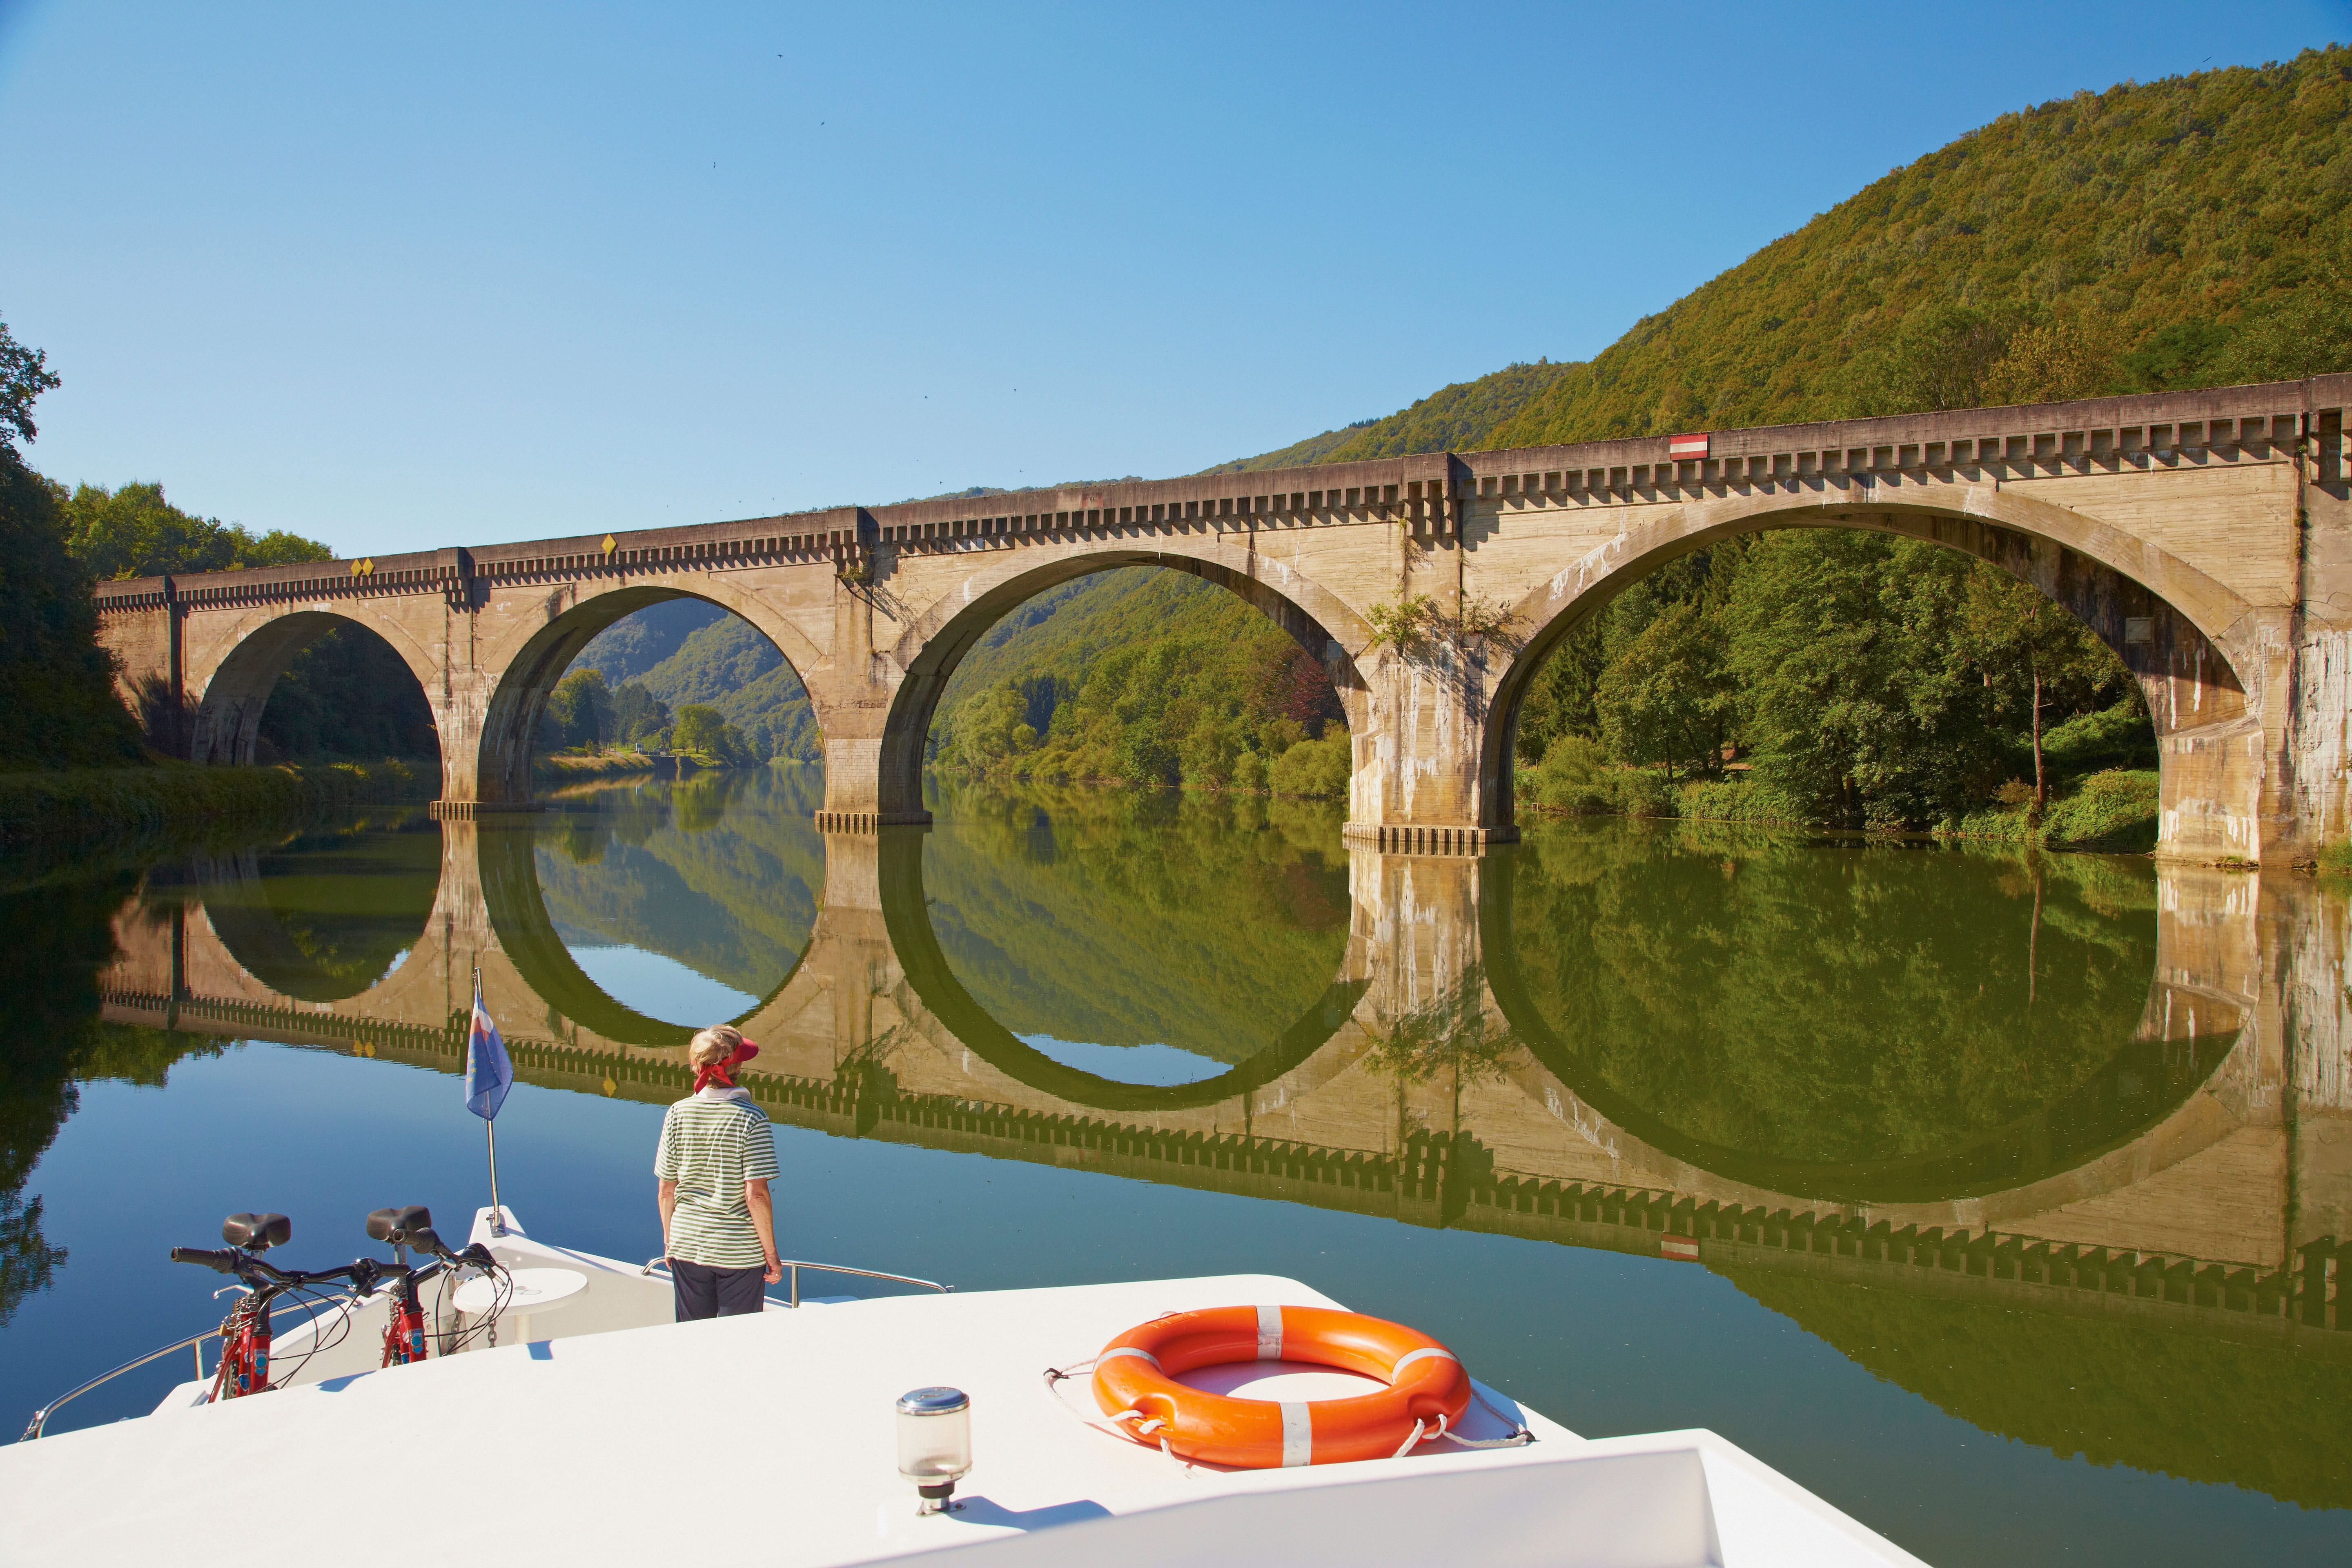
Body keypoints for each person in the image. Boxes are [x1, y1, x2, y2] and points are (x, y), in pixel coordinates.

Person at [655, 1025, 782, 1320]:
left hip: (687, 1243)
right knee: (738, 1342)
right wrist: (771, 1255)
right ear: (737, 1067)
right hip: (738, 1250)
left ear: (695, 1066)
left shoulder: (677, 1112)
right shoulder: (752, 1118)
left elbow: (666, 1189)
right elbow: (756, 1195)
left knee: (693, 1337)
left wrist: (670, 1241)